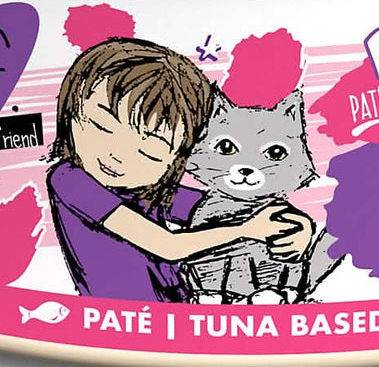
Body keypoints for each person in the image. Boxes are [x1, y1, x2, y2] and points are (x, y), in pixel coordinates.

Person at [46, 37, 313, 302]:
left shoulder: (150, 189)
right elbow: (167, 245)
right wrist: (247, 229)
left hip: (179, 305)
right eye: (102, 127)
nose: (116, 156)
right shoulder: (70, 179)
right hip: (123, 314)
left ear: (177, 159)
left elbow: (223, 208)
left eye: (148, 153)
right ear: (71, 111)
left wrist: (296, 225)